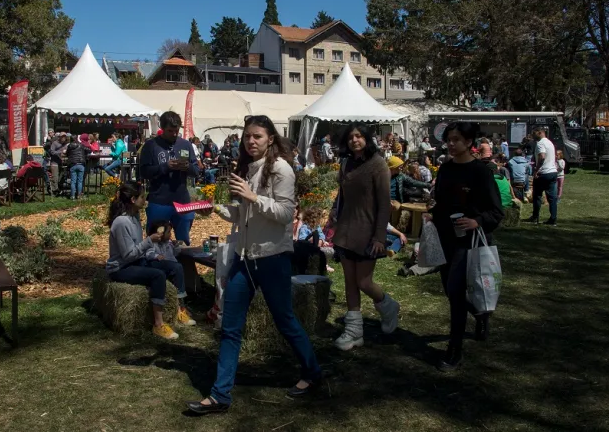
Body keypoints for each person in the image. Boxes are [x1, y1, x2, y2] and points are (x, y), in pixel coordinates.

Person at [187, 115, 320, 415]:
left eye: (258, 136)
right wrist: (218, 208)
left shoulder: (282, 169)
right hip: (244, 260)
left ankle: (312, 372)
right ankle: (220, 395)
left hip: (272, 258)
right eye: (248, 136)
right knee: (230, 328)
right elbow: (244, 216)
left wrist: (252, 196)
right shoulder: (247, 170)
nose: (251, 141)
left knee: (285, 322)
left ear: (271, 138)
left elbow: (286, 213)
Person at [429, 121, 504, 371]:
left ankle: (455, 350)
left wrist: (477, 221)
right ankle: (481, 316)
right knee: (453, 293)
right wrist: (433, 214)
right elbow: (441, 201)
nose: (451, 144)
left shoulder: (480, 172)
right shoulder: (446, 169)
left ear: (469, 143)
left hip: (469, 243)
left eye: (457, 139)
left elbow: (496, 211)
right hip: (445, 239)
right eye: (449, 139)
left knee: (456, 293)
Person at [325, 124, 401, 352]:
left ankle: (388, 307)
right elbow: (342, 194)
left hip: (368, 232)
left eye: (358, 136)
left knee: (364, 281)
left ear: (367, 139)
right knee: (350, 281)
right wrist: (333, 214)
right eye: (350, 137)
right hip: (346, 230)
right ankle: (354, 331)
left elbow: (384, 204)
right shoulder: (346, 163)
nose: (354, 140)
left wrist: (380, 236)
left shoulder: (378, 165)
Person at [105, 182, 194, 340]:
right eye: (142, 196)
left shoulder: (135, 217)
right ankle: (158, 325)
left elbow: (138, 250)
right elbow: (127, 255)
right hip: (121, 268)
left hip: (137, 261)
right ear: (133, 199)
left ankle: (180, 309)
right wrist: (149, 241)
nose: (145, 199)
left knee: (175, 267)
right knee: (158, 275)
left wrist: (157, 250)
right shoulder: (121, 222)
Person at [138, 111, 200, 245]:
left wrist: (187, 167)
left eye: (176, 130)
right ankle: (155, 265)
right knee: (156, 240)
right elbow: (143, 172)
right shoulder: (151, 146)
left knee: (183, 241)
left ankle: (182, 265)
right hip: (159, 201)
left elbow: (196, 171)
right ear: (162, 128)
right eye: (170, 130)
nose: (174, 134)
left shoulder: (186, 145)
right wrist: (165, 167)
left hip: (182, 201)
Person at [524, 127, 558, 226]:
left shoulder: (540, 143)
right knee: (552, 198)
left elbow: (542, 157)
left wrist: (536, 170)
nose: (533, 136)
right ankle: (553, 219)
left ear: (540, 132)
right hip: (553, 172)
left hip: (543, 173)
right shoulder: (550, 143)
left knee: (537, 196)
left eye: (534, 133)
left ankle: (535, 217)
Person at [66, 135, 90, 199]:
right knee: (80, 181)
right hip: (81, 164)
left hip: (73, 164)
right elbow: (88, 150)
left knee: (73, 181)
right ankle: (79, 195)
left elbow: (67, 154)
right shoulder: (81, 145)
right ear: (77, 139)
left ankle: (72, 195)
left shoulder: (69, 146)